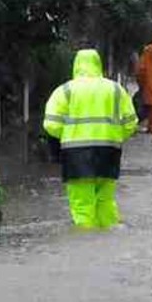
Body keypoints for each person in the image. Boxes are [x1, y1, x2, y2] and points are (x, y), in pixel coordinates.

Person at [42, 49, 139, 230]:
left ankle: (87, 242)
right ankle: (108, 238)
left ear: (76, 65)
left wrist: (69, 135)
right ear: (99, 64)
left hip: (76, 153)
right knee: (106, 200)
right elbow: (131, 123)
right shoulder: (116, 89)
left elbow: (51, 124)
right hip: (109, 151)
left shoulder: (65, 90)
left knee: (82, 203)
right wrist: (114, 136)